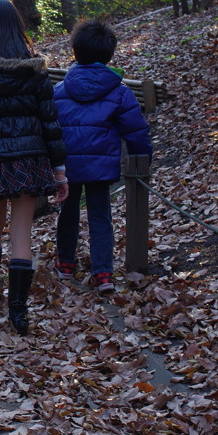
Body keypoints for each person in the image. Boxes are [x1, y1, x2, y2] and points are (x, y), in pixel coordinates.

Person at [0, 0, 69, 335]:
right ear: (16, 24)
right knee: (22, 231)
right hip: (30, 157)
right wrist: (59, 168)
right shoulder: (34, 67)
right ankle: (18, 313)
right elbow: (49, 120)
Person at [53, 18, 153, 293]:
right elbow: (136, 132)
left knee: (68, 212)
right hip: (101, 166)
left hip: (68, 167)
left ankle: (65, 264)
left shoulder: (59, 91)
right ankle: (103, 273)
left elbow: (49, 130)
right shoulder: (120, 92)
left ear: (75, 52)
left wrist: (52, 165)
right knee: (100, 216)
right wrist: (142, 161)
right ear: (110, 55)